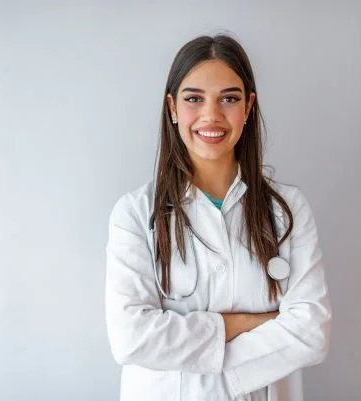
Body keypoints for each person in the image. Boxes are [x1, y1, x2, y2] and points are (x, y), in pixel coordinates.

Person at [105, 34, 332, 401]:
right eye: (194, 99)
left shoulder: (287, 210)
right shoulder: (133, 214)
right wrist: (243, 324)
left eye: (229, 98)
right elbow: (131, 339)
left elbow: (312, 332)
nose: (211, 115)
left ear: (248, 107)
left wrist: (212, 361)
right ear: (172, 108)